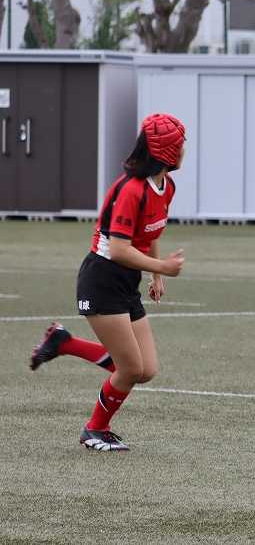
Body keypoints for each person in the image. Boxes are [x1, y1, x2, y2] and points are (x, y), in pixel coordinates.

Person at [29, 114, 187, 451]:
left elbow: (150, 232)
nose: (184, 149)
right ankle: (94, 430)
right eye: (180, 144)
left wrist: (156, 275)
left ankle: (63, 342)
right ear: (167, 152)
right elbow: (117, 249)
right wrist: (161, 265)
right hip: (102, 278)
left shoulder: (167, 186)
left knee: (145, 370)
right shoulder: (131, 189)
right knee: (129, 368)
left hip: (127, 280)